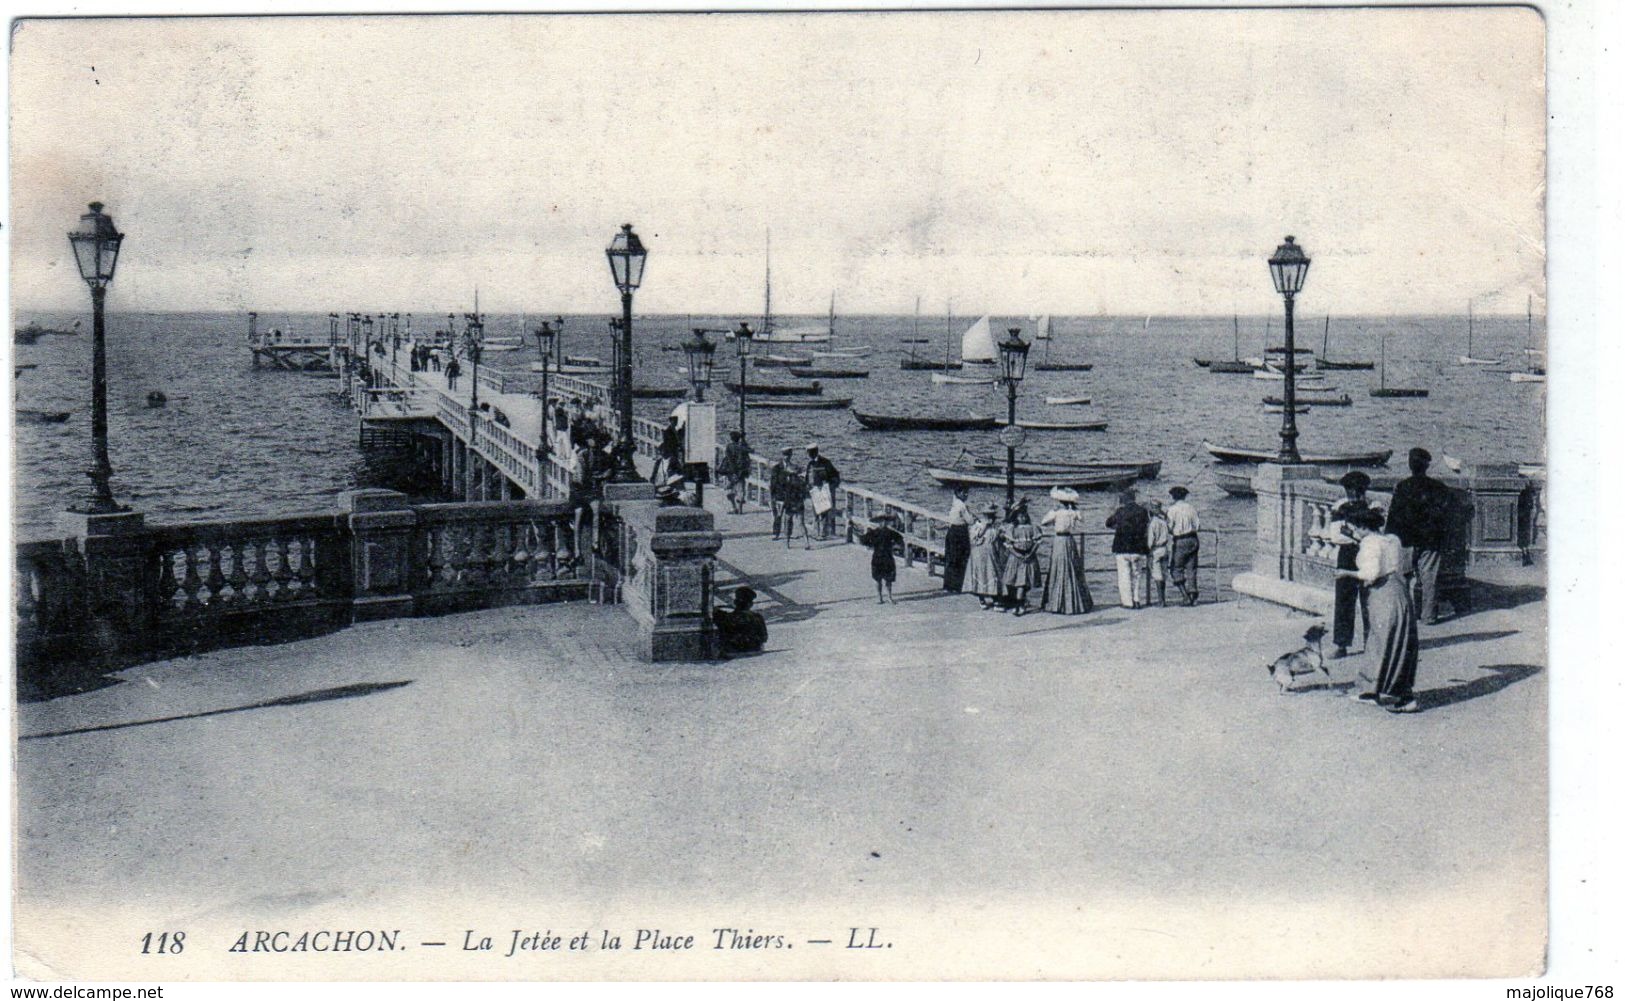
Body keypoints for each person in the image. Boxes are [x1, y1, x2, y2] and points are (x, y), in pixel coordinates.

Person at [1337, 508, 1420, 713]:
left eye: (1355, 527)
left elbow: (1371, 573)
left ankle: (1391, 694)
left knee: (1380, 641)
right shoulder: (1392, 539)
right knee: (1398, 642)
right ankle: (1379, 691)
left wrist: (1345, 572)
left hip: (1383, 595)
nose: (1354, 531)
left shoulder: (1369, 543)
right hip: (1399, 592)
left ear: (1364, 527)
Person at [1385, 447, 1455, 624]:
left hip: (1406, 540)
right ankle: (1429, 616)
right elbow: (1448, 512)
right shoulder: (1438, 488)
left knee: (1403, 579)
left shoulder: (1402, 487)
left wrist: (1390, 537)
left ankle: (1405, 615)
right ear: (1427, 466)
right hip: (1430, 540)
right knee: (1429, 579)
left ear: (1410, 465)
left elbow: (1394, 515)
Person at [1329, 471, 1378, 657]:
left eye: (1358, 491)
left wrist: (1351, 534)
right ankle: (1341, 644)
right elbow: (1335, 536)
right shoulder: (1340, 506)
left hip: (1367, 552)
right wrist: (1358, 536)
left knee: (1369, 599)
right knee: (1343, 599)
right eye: (1351, 491)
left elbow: (1376, 529)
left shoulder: (1374, 506)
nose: (1355, 495)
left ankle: (1370, 642)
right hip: (1347, 555)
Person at [1040, 487, 1093, 614]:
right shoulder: (1073, 513)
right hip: (1070, 540)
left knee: (1058, 568)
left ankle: (1056, 602)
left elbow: (1043, 522)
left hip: (1059, 540)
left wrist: (1053, 512)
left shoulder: (1056, 512)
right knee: (1072, 568)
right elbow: (1082, 519)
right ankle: (1074, 603)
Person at [1106, 488, 1150, 609]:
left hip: (1122, 547)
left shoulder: (1120, 511)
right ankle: (1137, 600)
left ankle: (1127, 602)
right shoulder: (1143, 511)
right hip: (1139, 547)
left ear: (1124, 500)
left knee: (1124, 575)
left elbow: (1108, 523)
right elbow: (1146, 525)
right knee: (1137, 575)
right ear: (1134, 498)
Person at [999, 500, 1042, 616]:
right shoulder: (1012, 528)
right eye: (1019, 516)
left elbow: (1037, 543)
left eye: (1024, 516)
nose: (1022, 518)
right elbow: (1008, 545)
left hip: (1028, 557)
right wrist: (1017, 554)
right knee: (1015, 581)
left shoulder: (1032, 527)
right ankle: (1018, 603)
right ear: (1016, 517)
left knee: (1023, 583)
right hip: (1016, 557)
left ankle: (1020, 604)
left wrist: (1030, 553)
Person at [963, 502, 1005, 609]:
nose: (990, 517)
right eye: (987, 515)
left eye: (991, 515)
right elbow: (974, 539)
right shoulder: (977, 526)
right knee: (980, 574)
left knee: (993, 573)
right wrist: (984, 527)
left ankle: (995, 598)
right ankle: (981, 598)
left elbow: (1000, 539)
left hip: (992, 554)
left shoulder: (995, 527)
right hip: (979, 554)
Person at [1165, 485, 1202, 606]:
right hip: (1193, 539)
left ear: (1173, 496)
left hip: (1180, 540)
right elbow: (1198, 526)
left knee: (1176, 568)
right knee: (1192, 568)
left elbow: (1169, 528)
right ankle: (1193, 596)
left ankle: (1185, 595)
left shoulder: (1172, 510)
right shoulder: (1192, 508)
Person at [861, 512, 906, 605]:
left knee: (889, 579)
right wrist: (871, 545)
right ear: (879, 522)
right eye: (882, 521)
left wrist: (894, 546)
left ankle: (889, 597)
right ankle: (880, 597)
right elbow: (863, 540)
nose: (884, 523)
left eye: (885, 521)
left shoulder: (891, 532)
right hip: (877, 557)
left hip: (888, 557)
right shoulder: (874, 532)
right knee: (878, 579)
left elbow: (900, 539)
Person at [714, 586, 768, 655]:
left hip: (731, 654)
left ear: (735, 602)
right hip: (754, 654)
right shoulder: (757, 618)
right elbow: (764, 638)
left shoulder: (726, 617)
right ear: (750, 604)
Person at [942, 486, 974, 593]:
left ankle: (948, 585)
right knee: (960, 558)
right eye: (964, 493)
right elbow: (970, 521)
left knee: (951, 558)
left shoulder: (954, 504)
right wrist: (972, 515)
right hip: (960, 532)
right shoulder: (962, 506)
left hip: (952, 531)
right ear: (959, 493)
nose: (966, 495)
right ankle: (957, 586)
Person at [806, 445, 841, 540]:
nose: (809, 455)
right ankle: (817, 532)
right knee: (816, 512)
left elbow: (835, 475)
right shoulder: (810, 463)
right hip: (814, 491)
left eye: (810, 452)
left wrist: (831, 486)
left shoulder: (825, 463)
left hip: (823, 490)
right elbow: (807, 478)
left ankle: (823, 533)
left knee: (824, 512)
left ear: (815, 452)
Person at [779, 460, 812, 550]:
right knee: (801, 523)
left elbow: (783, 492)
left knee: (788, 522)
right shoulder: (800, 481)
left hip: (790, 503)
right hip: (797, 503)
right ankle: (806, 542)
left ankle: (787, 543)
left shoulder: (787, 481)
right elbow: (805, 492)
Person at [1145, 499, 1172, 608]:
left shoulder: (1153, 524)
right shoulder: (1163, 522)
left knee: (1157, 575)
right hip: (1165, 548)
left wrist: (1148, 551)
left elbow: (1150, 542)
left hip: (1156, 550)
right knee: (1164, 574)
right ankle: (1163, 599)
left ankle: (1160, 600)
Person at [721, 431, 752, 515]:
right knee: (740, 490)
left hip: (731, 472)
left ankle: (734, 507)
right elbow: (751, 450)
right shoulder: (741, 446)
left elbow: (729, 459)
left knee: (730, 490)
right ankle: (740, 509)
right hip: (741, 472)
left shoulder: (729, 447)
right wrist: (745, 442)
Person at [769, 447, 796, 540]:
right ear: (782, 456)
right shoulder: (777, 468)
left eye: (788, 455)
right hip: (779, 495)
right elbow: (773, 483)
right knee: (778, 515)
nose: (787, 457)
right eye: (785, 455)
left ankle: (788, 533)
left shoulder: (793, 467)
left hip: (789, 495)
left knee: (789, 516)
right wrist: (773, 496)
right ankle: (776, 533)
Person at [655, 415, 683, 485]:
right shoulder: (668, 431)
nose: (675, 423)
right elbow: (668, 442)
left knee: (672, 465)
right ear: (671, 421)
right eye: (674, 421)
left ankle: (672, 478)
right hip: (670, 451)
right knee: (669, 465)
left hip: (673, 451)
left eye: (676, 421)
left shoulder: (674, 430)